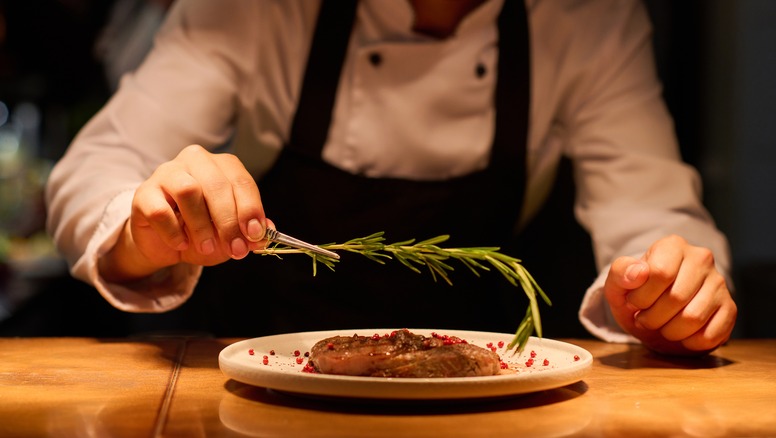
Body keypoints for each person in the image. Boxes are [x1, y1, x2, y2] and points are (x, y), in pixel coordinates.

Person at [45, 0, 736, 355]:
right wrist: (150, 224)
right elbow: (93, 169)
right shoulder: (257, 9)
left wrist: (669, 289)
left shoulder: (589, 20)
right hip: (263, 383)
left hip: (489, 396)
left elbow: (653, 211)